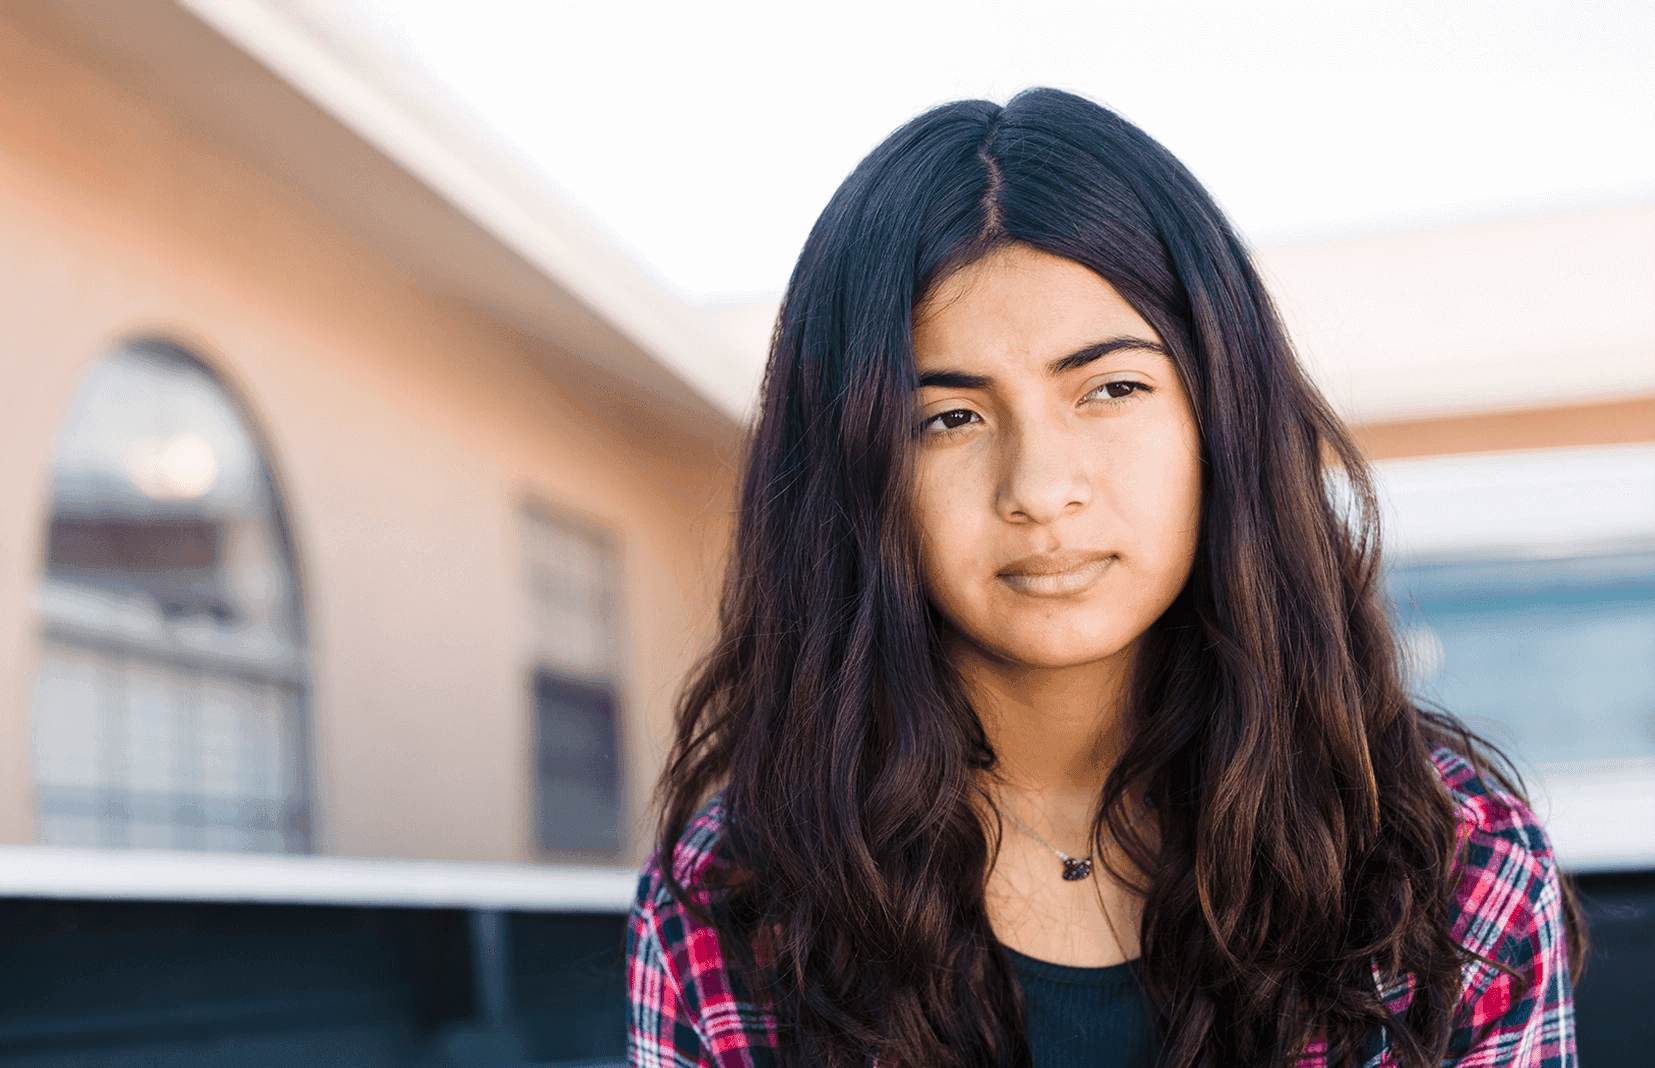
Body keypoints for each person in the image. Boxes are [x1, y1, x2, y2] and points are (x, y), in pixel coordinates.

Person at [626, 88, 1581, 1068]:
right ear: (852, 473)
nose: (1040, 489)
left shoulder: (1456, 871)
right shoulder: (730, 903)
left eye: (1111, 388)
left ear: (1221, 413)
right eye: (947, 418)